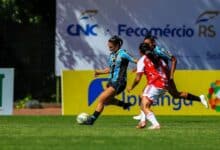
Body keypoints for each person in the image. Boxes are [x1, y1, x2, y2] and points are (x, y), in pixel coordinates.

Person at [133, 35, 208, 120]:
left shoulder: (159, 50)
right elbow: (148, 62)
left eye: (148, 43)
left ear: (153, 43)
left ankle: (143, 115)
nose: (146, 45)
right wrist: (137, 68)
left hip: (164, 76)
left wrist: (171, 75)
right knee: (176, 95)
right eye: (144, 43)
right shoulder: (149, 52)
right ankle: (200, 98)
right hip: (157, 77)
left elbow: (174, 60)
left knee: (144, 94)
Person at [84, 35, 137, 125]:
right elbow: (110, 69)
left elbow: (137, 61)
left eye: (111, 47)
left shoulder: (123, 53)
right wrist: (99, 72)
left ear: (117, 45)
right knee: (107, 101)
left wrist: (138, 68)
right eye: (109, 47)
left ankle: (91, 120)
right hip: (111, 81)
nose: (109, 49)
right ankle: (124, 105)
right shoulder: (112, 55)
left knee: (101, 99)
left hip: (119, 81)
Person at [127, 43, 169, 129]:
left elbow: (137, 79)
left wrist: (131, 87)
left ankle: (155, 124)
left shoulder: (142, 60)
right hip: (165, 84)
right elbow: (166, 69)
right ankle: (143, 122)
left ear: (140, 51)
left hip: (155, 83)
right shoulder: (158, 57)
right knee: (144, 99)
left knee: (144, 105)